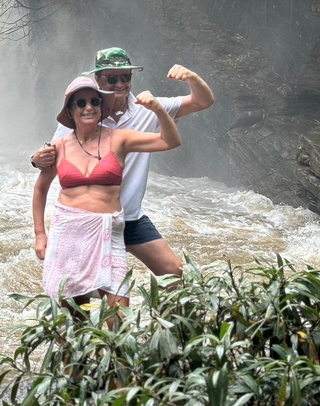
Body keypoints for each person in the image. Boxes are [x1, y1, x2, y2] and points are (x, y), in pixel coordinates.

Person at [31, 47, 214, 279]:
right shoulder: (85, 111)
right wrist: (36, 159)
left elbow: (203, 102)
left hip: (130, 218)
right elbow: (52, 156)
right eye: (112, 78)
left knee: (174, 273)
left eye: (125, 77)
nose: (120, 84)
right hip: (88, 222)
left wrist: (191, 78)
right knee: (79, 292)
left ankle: (158, 316)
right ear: (97, 79)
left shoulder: (147, 108)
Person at [33, 76, 181, 308]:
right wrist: (40, 235)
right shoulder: (59, 147)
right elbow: (41, 189)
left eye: (94, 102)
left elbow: (169, 141)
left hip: (108, 232)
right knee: (72, 319)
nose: (89, 107)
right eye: (81, 103)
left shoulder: (119, 138)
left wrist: (158, 110)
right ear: (70, 112)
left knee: (119, 318)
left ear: (102, 108)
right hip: (69, 237)